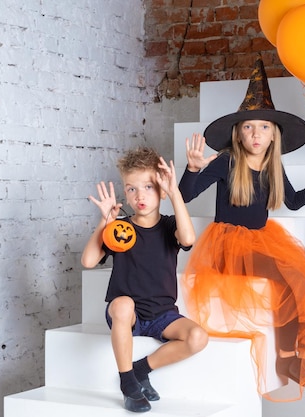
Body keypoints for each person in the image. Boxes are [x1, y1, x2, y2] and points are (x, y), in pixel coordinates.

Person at [178, 58, 305, 403]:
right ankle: (299, 366)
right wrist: (192, 168)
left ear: (273, 134)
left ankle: (299, 360)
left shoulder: (273, 166)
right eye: (248, 128)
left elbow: (292, 203)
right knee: (293, 280)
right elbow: (183, 196)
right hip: (230, 247)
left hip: (263, 241)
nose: (256, 135)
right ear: (237, 133)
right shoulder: (227, 162)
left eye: (263, 128)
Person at [81, 147, 208, 413]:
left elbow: (188, 239)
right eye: (131, 189)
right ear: (125, 193)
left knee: (198, 337)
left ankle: (141, 368)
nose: (140, 196)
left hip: (162, 314)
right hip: (129, 315)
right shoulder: (120, 229)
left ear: (161, 189)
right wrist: (104, 221)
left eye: (148, 187)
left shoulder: (170, 225)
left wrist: (175, 194)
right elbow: (88, 261)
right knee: (123, 304)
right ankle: (128, 382)